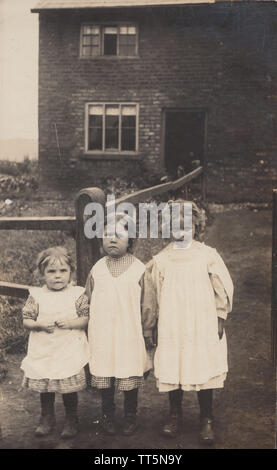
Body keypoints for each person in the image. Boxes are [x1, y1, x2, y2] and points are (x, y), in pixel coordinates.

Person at [146, 200, 234, 444]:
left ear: (197, 226)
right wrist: (152, 325)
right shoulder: (161, 260)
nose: (182, 230)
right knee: (174, 364)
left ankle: (206, 417)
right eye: (175, 225)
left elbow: (222, 289)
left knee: (202, 364)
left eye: (188, 225)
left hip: (201, 321)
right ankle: (175, 414)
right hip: (172, 323)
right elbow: (153, 295)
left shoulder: (207, 256)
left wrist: (219, 317)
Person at [85, 214, 155, 436]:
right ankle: (107, 415)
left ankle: (130, 415)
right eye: (107, 235)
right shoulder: (97, 268)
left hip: (129, 332)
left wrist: (146, 330)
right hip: (102, 332)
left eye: (118, 235)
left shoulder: (139, 269)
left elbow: (148, 303)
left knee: (128, 373)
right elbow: (87, 299)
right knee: (106, 373)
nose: (112, 239)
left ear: (130, 240)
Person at [21, 246, 89, 439]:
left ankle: (71, 418)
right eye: (51, 271)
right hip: (45, 348)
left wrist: (71, 323)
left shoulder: (77, 294)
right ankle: (47, 417)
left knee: (67, 384)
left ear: (71, 272)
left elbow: (86, 318)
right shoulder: (37, 296)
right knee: (46, 383)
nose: (57, 276)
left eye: (63, 271)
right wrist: (38, 324)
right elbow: (26, 319)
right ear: (42, 274)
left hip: (68, 347)